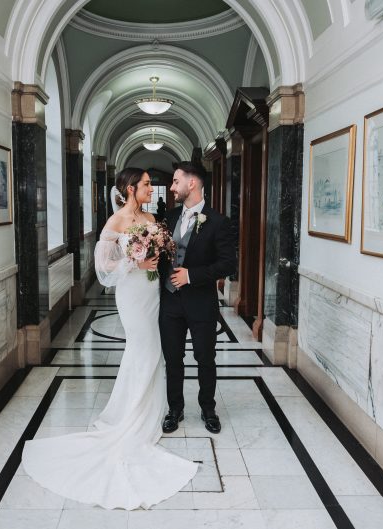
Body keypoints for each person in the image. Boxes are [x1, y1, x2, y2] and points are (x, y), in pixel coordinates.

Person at [22, 167, 198, 510]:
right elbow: (104, 269)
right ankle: (132, 414)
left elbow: (163, 254)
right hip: (132, 293)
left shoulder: (150, 217)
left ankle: (151, 408)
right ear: (131, 188)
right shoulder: (115, 222)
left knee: (153, 350)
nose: (150, 189)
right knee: (143, 347)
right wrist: (135, 263)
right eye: (146, 185)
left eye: (150, 184)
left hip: (152, 295)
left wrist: (158, 257)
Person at [158, 162, 236, 435]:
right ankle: (175, 409)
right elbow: (161, 259)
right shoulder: (168, 217)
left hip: (201, 303)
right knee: (173, 359)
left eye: (176, 181)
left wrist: (192, 275)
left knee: (205, 358)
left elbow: (228, 263)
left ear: (192, 183)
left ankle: (208, 408)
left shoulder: (218, 222)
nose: (172, 187)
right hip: (170, 302)